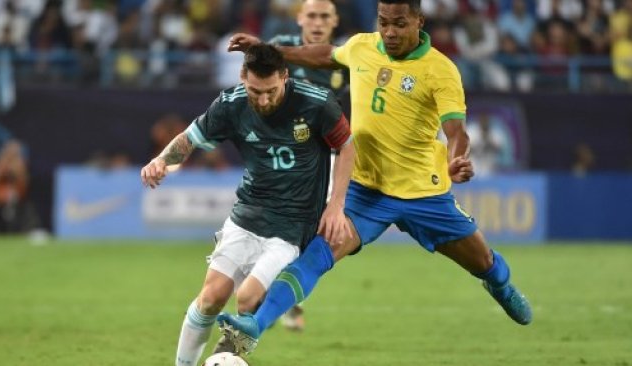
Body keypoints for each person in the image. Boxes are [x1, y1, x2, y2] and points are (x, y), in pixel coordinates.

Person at [217, 0, 533, 355]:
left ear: (418, 21)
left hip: (423, 194)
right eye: (384, 22)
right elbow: (326, 55)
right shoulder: (363, 46)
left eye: (399, 23)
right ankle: (254, 326)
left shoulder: (440, 70)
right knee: (317, 254)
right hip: (365, 192)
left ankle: (502, 287)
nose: (390, 31)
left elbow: (456, 130)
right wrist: (271, 51)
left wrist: (457, 159)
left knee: (484, 263)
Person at [140, 44, 355, 366]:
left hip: (293, 226)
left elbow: (348, 147)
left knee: (248, 298)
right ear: (243, 77)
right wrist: (161, 161)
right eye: (256, 91)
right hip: (248, 215)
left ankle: (224, 356)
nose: (264, 100)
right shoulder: (231, 105)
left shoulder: (317, 103)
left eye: (270, 91)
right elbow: (190, 138)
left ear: (284, 76)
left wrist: (335, 205)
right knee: (211, 299)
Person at [268, 0, 348, 331]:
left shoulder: (344, 60)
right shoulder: (280, 50)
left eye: (324, 17)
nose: (317, 23)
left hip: (323, 159)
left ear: (335, 22)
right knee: (271, 230)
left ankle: (284, 300)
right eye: (311, 16)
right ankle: (272, 297)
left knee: (311, 234)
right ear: (299, 18)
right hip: (281, 157)